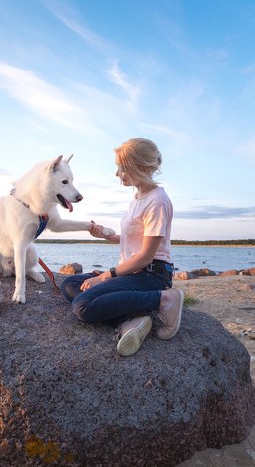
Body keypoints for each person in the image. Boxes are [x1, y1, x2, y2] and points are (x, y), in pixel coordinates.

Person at [60, 138, 183, 356]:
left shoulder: (158, 201)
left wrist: (106, 276)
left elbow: (146, 256)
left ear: (142, 167)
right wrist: (108, 236)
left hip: (151, 275)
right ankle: (129, 321)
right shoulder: (138, 198)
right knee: (70, 284)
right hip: (133, 270)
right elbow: (135, 240)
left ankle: (165, 299)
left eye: (123, 168)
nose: (118, 174)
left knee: (82, 306)